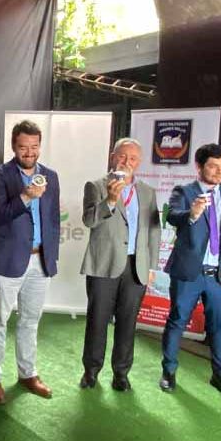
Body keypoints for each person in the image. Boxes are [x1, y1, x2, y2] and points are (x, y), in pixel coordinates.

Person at [159, 143, 221, 397]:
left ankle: (220, 376)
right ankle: (168, 372)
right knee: (177, 321)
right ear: (199, 167)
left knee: (220, 327)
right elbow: (172, 216)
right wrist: (192, 214)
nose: (219, 171)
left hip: (220, 277)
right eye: (213, 166)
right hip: (189, 273)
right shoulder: (183, 191)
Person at [0, 120, 60, 404]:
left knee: (30, 321)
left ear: (40, 145)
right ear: (13, 146)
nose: (29, 152)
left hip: (40, 261)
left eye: (34, 146)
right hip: (8, 261)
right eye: (23, 147)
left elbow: (53, 219)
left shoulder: (50, 176)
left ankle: (28, 374)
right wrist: (26, 196)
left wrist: (51, 255)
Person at [79, 138, 161, 391]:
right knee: (97, 321)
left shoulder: (148, 192)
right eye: (122, 156)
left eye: (133, 158)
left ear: (139, 162)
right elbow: (89, 221)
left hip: (136, 267)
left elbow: (154, 231)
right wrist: (111, 201)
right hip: (104, 265)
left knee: (127, 323)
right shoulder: (96, 186)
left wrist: (152, 267)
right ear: (112, 157)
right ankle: (91, 372)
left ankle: (121, 374)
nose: (127, 162)